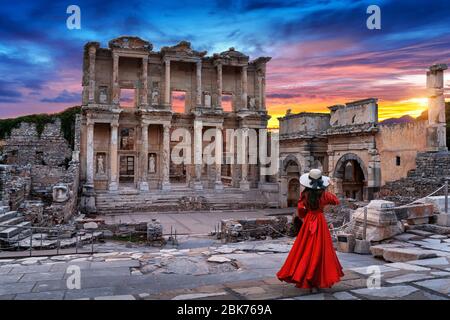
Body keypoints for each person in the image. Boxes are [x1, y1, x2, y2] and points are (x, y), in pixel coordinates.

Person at [277, 168, 344, 292]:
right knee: (321, 250)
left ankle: (306, 279)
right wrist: (331, 187)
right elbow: (336, 201)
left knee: (305, 249)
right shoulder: (324, 194)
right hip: (320, 221)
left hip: (309, 221)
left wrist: (305, 215)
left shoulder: (305, 195)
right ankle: (318, 280)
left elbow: (301, 210)